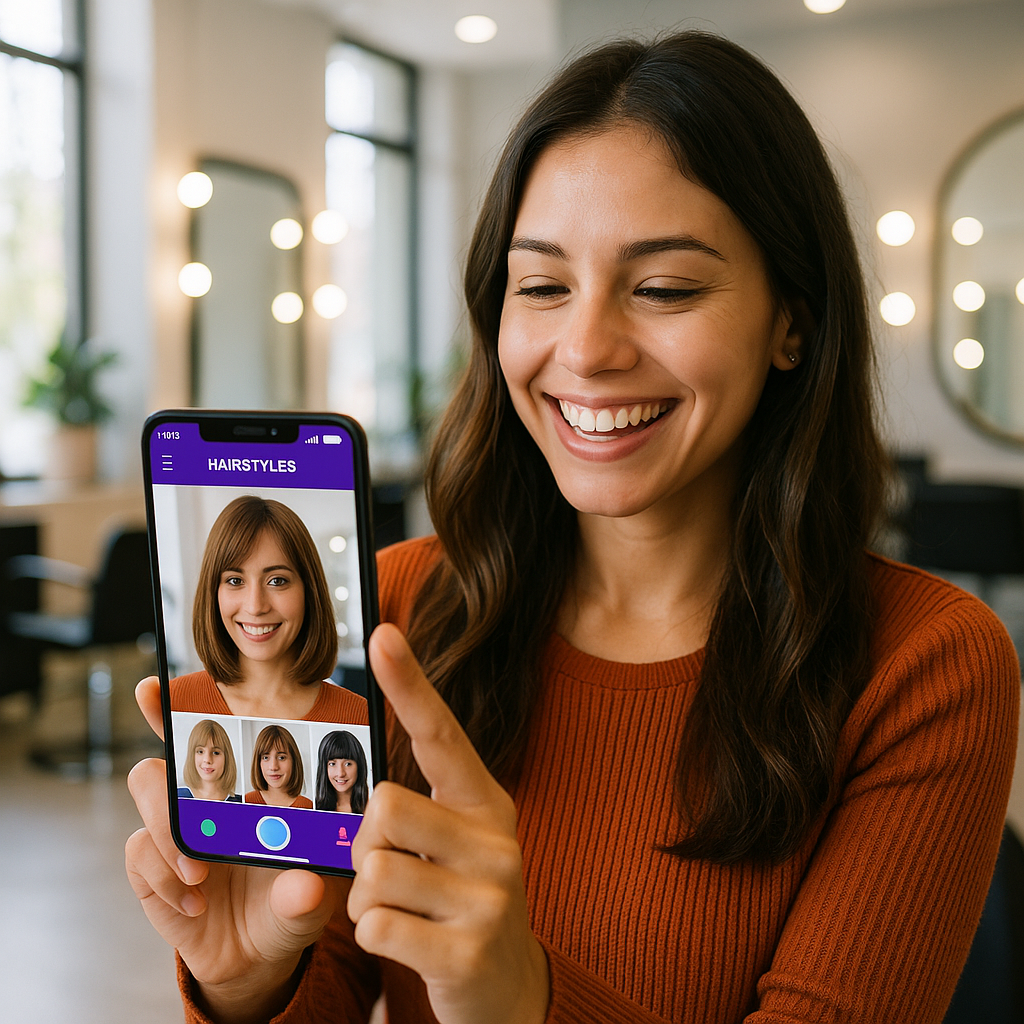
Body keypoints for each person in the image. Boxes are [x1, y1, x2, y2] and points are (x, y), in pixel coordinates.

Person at [126, 30, 1020, 1024]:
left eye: (666, 287)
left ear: (791, 322)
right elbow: (331, 978)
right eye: (543, 285)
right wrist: (253, 983)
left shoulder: (926, 665)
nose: (585, 349)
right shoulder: (397, 614)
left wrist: (525, 996)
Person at [170, 494, 367, 726]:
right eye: (235, 581)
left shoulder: (359, 717)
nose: (255, 607)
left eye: (277, 581)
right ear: (213, 593)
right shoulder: (176, 702)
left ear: (309, 591)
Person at [244, 723, 313, 810]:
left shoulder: (308, 806)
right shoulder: (246, 801)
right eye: (265, 758)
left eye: (281, 758)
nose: (273, 767)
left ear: (294, 761)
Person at [176, 719, 241, 802]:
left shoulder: (241, 802)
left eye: (215, 753)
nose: (207, 760)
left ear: (227, 757)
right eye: (200, 751)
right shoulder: (177, 796)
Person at [314, 730, 369, 814]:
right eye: (332, 764)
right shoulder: (313, 808)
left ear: (359, 766)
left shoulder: (374, 809)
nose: (340, 773)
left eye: (348, 764)